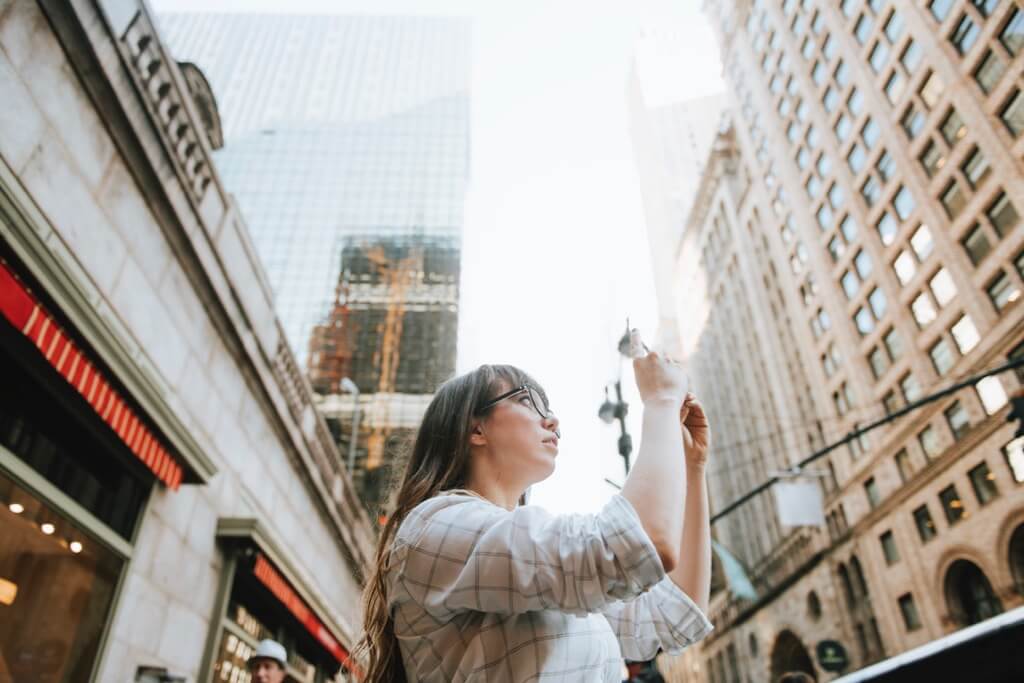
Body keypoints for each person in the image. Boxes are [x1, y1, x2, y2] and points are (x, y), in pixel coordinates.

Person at [355, 330, 714, 681]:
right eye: (527, 400)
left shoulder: (535, 563)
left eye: (549, 406)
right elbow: (636, 547)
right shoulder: (435, 526)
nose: (553, 419)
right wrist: (662, 401)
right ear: (475, 429)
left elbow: (673, 614)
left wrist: (692, 467)